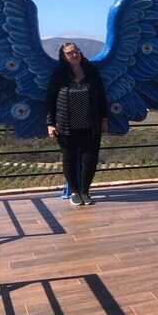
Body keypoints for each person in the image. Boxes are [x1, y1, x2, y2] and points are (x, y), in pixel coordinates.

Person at [46, 43, 108, 206]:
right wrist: (50, 123)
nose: (74, 54)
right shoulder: (59, 75)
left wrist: (103, 119)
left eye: (76, 51)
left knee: (90, 160)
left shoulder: (91, 71)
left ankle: (85, 191)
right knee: (69, 159)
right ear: (63, 56)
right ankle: (75, 192)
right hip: (66, 126)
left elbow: (101, 95)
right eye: (69, 53)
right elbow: (50, 100)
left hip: (91, 125)